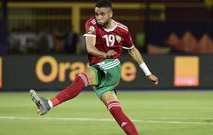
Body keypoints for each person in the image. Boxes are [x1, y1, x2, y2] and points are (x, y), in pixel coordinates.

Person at [30, 0, 158, 135]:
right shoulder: (91, 24)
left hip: (112, 67)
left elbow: (132, 50)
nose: (98, 17)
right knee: (116, 111)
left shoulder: (122, 30)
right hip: (100, 71)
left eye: (102, 14)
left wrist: (148, 73)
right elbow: (90, 48)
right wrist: (105, 54)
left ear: (111, 14)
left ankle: (49, 104)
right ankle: (48, 105)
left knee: (82, 77)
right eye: (96, 14)